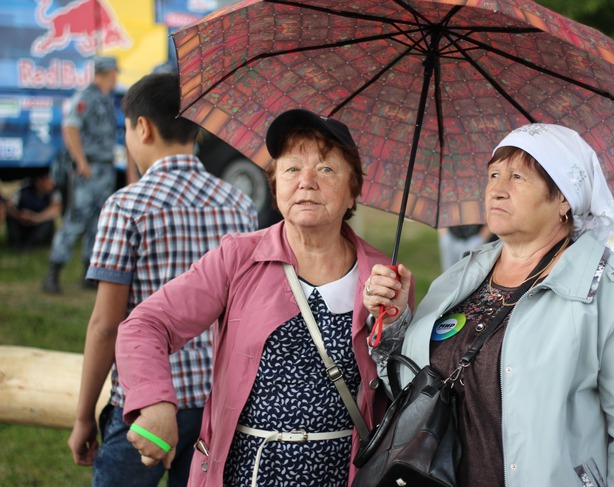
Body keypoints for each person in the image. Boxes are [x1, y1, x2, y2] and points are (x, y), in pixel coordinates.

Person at [113, 108, 414, 487]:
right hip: (246, 474)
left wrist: (396, 321)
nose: (306, 181)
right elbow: (146, 324)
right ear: (274, 185)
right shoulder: (238, 257)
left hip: (345, 476)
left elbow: (401, 386)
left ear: (353, 188)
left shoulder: (385, 276)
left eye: (326, 169)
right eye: (291, 169)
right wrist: (154, 402)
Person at [364, 123, 614, 486]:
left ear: (564, 198)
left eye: (517, 177)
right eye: (493, 175)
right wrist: (397, 318)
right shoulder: (460, 277)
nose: (497, 189)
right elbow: (409, 389)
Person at [67, 73, 258, 487]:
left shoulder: (126, 206)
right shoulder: (240, 204)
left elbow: (106, 325)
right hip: (217, 405)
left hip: (145, 404)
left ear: (142, 127)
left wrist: (84, 416)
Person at [42, 56, 120, 294]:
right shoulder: (85, 97)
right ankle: (53, 273)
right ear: (107, 73)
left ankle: (89, 273)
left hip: (105, 169)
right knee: (75, 221)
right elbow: (70, 128)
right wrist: (81, 162)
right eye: (115, 72)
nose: (117, 77)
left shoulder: (105, 99)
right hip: (90, 171)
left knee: (98, 223)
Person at [5, 172, 62, 249]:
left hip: (38, 225)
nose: (52, 183)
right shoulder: (23, 191)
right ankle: (16, 244)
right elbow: (8, 206)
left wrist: (36, 218)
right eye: (49, 180)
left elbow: (56, 208)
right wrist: (19, 215)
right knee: (10, 218)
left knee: (48, 221)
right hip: (23, 224)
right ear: (39, 181)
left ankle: (31, 245)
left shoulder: (54, 193)